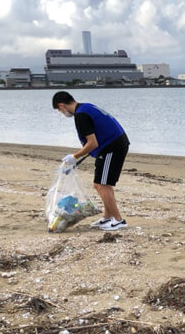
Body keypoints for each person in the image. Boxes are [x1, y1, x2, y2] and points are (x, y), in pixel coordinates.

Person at [52, 91, 130, 231]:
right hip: (113, 144)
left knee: (102, 184)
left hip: (112, 146)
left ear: (61, 105)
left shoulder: (81, 115)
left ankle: (119, 220)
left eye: (59, 110)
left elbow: (92, 143)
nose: (61, 113)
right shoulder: (86, 107)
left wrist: (75, 156)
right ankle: (107, 217)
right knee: (100, 184)